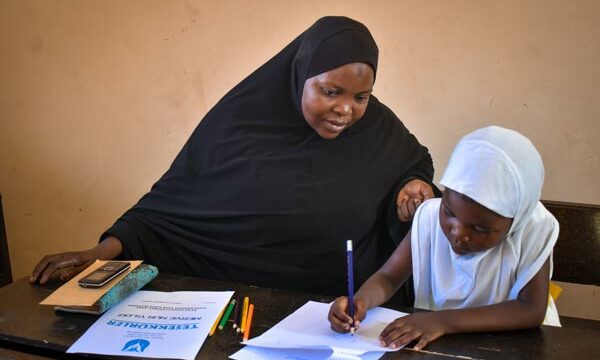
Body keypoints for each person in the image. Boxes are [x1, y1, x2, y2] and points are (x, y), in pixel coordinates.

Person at [30, 16, 437, 296]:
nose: (346, 110)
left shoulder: (377, 128)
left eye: (361, 97)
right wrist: (95, 256)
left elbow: (414, 165)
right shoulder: (237, 125)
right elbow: (165, 217)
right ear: (299, 76)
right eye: (331, 91)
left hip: (342, 318)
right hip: (237, 311)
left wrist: (413, 187)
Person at [328, 126, 560, 350]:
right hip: (437, 343)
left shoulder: (534, 228)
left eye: (479, 228)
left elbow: (531, 309)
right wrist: (360, 301)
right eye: (449, 212)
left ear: (516, 220)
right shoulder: (428, 216)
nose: (458, 233)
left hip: (516, 346)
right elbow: (389, 277)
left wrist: (442, 321)